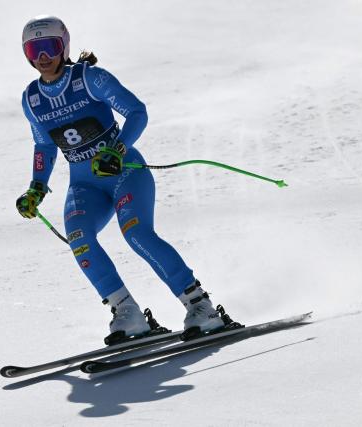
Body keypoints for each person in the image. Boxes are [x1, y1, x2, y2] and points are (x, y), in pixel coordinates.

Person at [16, 15, 227, 342]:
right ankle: (126, 312)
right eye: (34, 49)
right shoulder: (32, 99)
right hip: (84, 185)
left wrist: (117, 150)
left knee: (136, 234)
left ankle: (200, 306)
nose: (42, 57)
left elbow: (137, 112)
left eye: (49, 47)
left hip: (124, 172)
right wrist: (37, 187)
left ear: (64, 47)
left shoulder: (89, 78)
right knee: (79, 239)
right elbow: (44, 144)